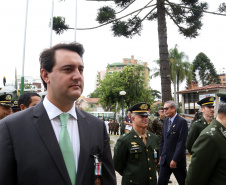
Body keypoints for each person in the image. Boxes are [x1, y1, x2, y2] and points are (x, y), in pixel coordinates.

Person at [0, 42, 116, 185]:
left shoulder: (96, 126)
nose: (77, 76)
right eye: (68, 69)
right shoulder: (12, 128)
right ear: (45, 75)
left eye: (80, 69)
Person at [114, 102, 159, 185]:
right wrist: (132, 175)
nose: (145, 119)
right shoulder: (124, 140)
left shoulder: (154, 138)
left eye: (146, 116)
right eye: (141, 116)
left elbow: (155, 160)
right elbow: (118, 165)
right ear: (133, 119)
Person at [185, 92, 226, 185]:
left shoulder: (218, 126)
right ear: (202, 109)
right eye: (209, 107)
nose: (212, 109)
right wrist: (198, 154)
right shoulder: (198, 125)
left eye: (212, 107)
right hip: (202, 158)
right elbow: (189, 144)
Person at [158, 100, 188, 185]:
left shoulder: (181, 121)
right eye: (164, 109)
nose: (165, 111)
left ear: (174, 108)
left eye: (167, 109)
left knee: (184, 182)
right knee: (161, 182)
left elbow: (181, 142)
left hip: (177, 161)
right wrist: (161, 155)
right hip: (165, 160)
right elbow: (163, 140)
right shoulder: (166, 121)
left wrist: (174, 159)